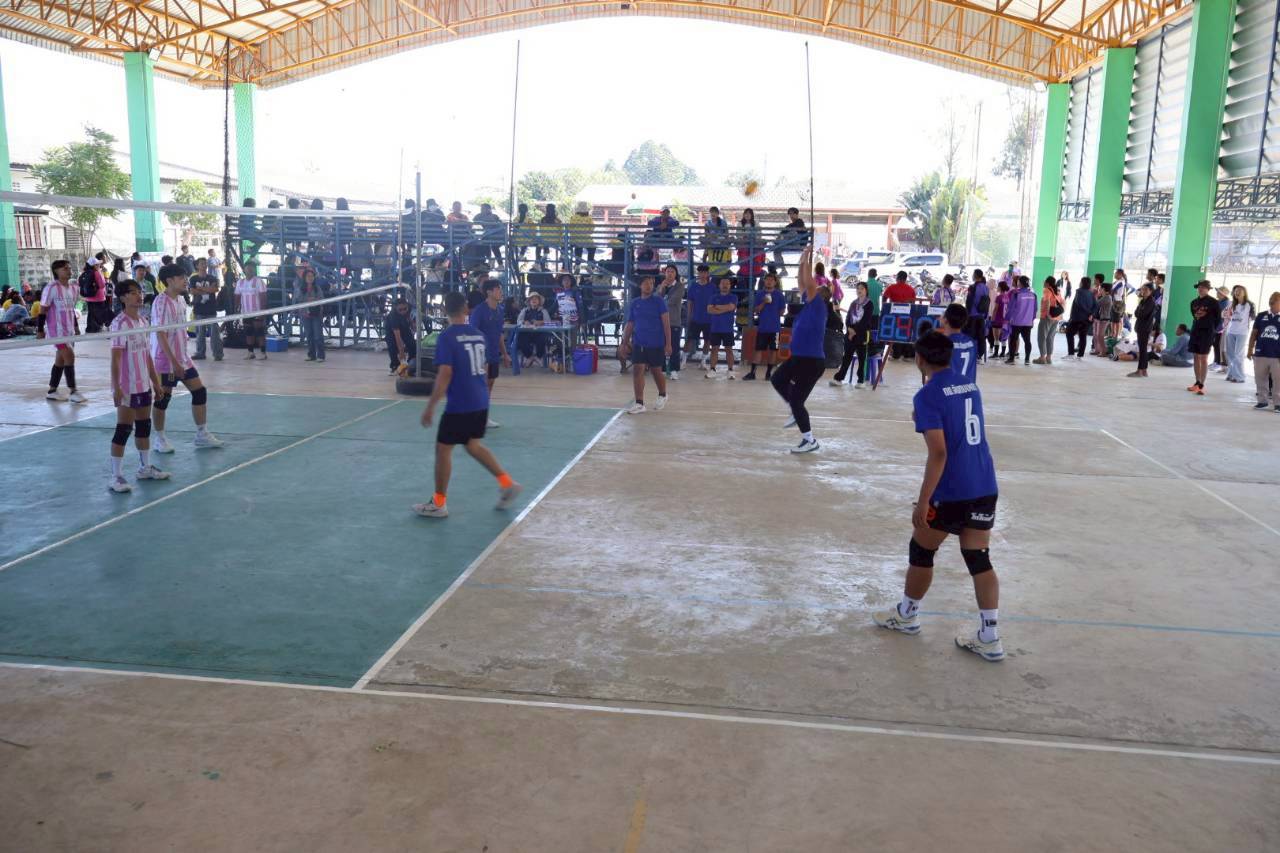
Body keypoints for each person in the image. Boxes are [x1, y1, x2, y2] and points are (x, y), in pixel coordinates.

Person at [872, 330, 1004, 662]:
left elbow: (939, 453)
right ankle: (990, 637)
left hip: (952, 490)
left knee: (921, 549)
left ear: (919, 359)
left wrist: (924, 501)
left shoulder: (927, 395)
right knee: (978, 558)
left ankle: (907, 615)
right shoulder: (969, 385)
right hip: (984, 483)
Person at [414, 291, 522, 519]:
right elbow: (483, 368)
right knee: (472, 446)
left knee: (443, 450)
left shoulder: (447, 337)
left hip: (460, 404)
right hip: (480, 400)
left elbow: (445, 373)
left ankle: (439, 503)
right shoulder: (478, 335)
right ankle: (507, 483)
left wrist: (430, 406)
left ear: (445, 310)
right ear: (466, 309)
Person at [149, 264, 224, 454]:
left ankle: (201, 434)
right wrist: (174, 363)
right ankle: (159, 438)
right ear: (169, 280)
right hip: (165, 360)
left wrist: (181, 359)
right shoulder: (160, 302)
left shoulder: (181, 300)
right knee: (163, 399)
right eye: (181, 277)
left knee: (199, 392)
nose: (185, 281)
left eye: (185, 277)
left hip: (182, 357)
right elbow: (160, 334)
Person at [106, 279, 170, 493]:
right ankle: (116, 476)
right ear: (123, 298)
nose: (139, 296)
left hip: (144, 385)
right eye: (133, 292)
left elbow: (147, 356)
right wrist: (116, 387)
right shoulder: (119, 324)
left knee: (144, 427)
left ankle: (145, 467)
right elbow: (115, 359)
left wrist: (156, 382)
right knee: (124, 429)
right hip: (127, 386)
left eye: (139, 292)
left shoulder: (143, 321)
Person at [770, 247, 825, 453]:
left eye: (815, 290)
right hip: (801, 358)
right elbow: (802, 282)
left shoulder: (819, 306)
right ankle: (794, 411)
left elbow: (809, 283)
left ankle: (809, 440)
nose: (808, 292)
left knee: (797, 401)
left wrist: (808, 259)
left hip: (811, 361)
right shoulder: (809, 306)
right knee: (778, 380)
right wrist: (802, 261)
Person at [620, 275, 672, 413]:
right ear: (640, 286)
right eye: (645, 283)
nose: (649, 286)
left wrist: (668, 344)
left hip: (656, 343)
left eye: (651, 283)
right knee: (637, 370)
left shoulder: (659, 301)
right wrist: (624, 343)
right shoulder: (635, 303)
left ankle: (663, 394)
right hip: (639, 343)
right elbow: (630, 324)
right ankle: (639, 403)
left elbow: (666, 323)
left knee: (656, 371)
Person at [39, 259, 86, 403]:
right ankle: (73, 391)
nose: (69, 270)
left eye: (69, 267)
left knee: (60, 360)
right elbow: (43, 309)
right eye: (65, 268)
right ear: (56, 271)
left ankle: (52, 391)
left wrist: (76, 327)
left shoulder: (74, 288)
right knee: (69, 357)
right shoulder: (51, 287)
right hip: (56, 331)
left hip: (69, 330)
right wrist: (40, 330)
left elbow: (71, 309)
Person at [468, 279, 512, 428]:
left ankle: (483, 417)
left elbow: (499, 334)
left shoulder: (500, 310)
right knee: (481, 386)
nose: (501, 292)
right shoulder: (479, 311)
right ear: (489, 292)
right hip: (481, 355)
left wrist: (505, 354)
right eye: (498, 289)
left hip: (493, 353)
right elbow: (472, 333)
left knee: (489, 385)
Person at [830, 281, 875, 387]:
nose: (859, 290)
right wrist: (849, 328)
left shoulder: (869, 304)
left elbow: (865, 320)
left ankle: (860, 381)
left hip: (862, 334)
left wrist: (855, 331)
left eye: (862, 288)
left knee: (862, 358)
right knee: (847, 357)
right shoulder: (853, 303)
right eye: (858, 288)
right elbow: (848, 317)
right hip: (850, 334)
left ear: (866, 290)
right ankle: (839, 378)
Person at [748, 273, 784, 381]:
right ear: (764, 281)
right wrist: (764, 302)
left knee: (773, 351)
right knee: (758, 350)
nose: (769, 282)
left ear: (775, 282)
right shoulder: (760, 294)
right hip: (763, 328)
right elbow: (756, 310)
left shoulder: (779, 295)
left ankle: (768, 374)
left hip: (775, 328)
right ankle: (752, 373)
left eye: (771, 280)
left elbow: (782, 311)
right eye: (767, 279)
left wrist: (776, 311)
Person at [1248, 291, 1280, 411]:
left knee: (1278, 380)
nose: (1272, 303)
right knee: (1260, 378)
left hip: (1277, 355)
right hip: (1261, 352)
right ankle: (1262, 401)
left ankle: (1278, 404)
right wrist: (1250, 349)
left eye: (1276, 301)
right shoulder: (1261, 316)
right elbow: (1254, 334)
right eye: (1272, 301)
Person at [1187, 280, 1221, 395]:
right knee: (1196, 356)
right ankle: (1197, 382)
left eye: (1203, 287)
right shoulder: (1193, 302)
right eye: (1199, 287)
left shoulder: (1214, 302)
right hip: (1195, 331)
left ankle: (1202, 385)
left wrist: (1211, 330)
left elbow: (1218, 319)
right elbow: (1195, 317)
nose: (1200, 289)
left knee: (1203, 357)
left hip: (1207, 332)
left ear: (1208, 289)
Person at [704, 277, 739, 379]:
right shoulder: (713, 297)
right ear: (719, 285)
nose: (725, 285)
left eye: (727, 283)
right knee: (714, 349)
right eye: (723, 283)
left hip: (728, 328)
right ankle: (712, 369)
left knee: (729, 349)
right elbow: (709, 310)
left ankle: (730, 370)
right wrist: (726, 308)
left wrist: (717, 307)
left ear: (730, 286)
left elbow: (732, 307)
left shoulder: (734, 297)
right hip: (715, 328)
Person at [190, 257, 223, 361]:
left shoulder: (212, 278)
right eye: (202, 263)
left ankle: (218, 354)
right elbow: (192, 291)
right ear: (197, 266)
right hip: (199, 309)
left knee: (214, 333)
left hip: (211, 309)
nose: (205, 265)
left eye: (205, 263)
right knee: (200, 333)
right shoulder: (193, 279)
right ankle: (200, 353)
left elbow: (215, 289)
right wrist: (207, 290)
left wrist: (200, 289)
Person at [235, 260, 269, 359]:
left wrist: (262, 312)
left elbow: (263, 297)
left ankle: (263, 353)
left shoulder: (259, 281)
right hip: (245, 313)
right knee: (248, 332)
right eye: (248, 268)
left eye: (252, 268)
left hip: (257, 312)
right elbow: (237, 296)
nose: (250, 270)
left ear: (254, 270)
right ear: (244, 270)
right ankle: (250, 352)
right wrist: (236, 309)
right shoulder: (240, 282)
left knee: (260, 332)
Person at [684, 264, 715, 368]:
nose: (703, 274)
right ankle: (683, 361)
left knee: (707, 341)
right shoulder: (693, 286)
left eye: (705, 272)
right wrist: (689, 316)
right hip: (695, 318)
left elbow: (715, 302)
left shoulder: (712, 287)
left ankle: (703, 362)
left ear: (708, 274)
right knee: (689, 340)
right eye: (701, 272)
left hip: (709, 319)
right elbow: (690, 302)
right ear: (698, 273)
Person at [1223, 285, 1255, 384]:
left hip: (1242, 333)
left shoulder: (1249, 304)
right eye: (1236, 291)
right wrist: (1226, 314)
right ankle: (1231, 374)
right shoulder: (1231, 304)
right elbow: (1223, 314)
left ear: (1244, 293)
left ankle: (1240, 377)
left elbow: (1253, 317)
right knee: (1230, 354)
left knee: (1238, 355)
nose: (1237, 292)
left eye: (1240, 291)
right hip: (1231, 331)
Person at [940, 303, 977, 383]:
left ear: (946, 320)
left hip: (949, 389)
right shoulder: (972, 343)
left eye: (943, 313)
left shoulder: (942, 344)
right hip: (968, 389)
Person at [295, 268, 327, 362]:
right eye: (308, 276)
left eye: (312, 276)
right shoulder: (300, 288)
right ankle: (311, 355)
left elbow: (321, 298)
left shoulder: (317, 288)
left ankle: (320, 355)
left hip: (316, 314)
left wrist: (314, 300)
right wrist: (308, 300)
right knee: (309, 335)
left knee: (318, 336)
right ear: (304, 278)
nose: (310, 278)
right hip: (305, 315)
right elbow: (298, 299)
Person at [1004, 276, 1036, 365]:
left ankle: (1011, 359)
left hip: (1016, 322)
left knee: (1013, 340)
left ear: (1020, 283)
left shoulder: (1016, 294)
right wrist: (1032, 319)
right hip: (1028, 322)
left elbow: (1010, 308)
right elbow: (1035, 309)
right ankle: (1027, 360)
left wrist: (1007, 318)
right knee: (1027, 340)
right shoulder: (1033, 295)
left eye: (1018, 282)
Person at [1127, 282, 1158, 378]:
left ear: (1151, 291)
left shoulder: (1150, 301)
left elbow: (1142, 314)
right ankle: (1144, 370)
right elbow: (1136, 312)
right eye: (1142, 289)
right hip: (1140, 326)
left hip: (1145, 328)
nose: (1143, 291)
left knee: (1143, 350)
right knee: (1143, 349)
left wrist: (1139, 313)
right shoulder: (1143, 301)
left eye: (1146, 290)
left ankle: (1140, 371)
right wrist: (1139, 313)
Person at [515, 292, 551, 366]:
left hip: (539, 333)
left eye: (536, 299)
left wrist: (541, 322)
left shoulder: (543, 311)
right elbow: (518, 321)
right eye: (532, 299)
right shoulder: (524, 310)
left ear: (539, 301)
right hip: (527, 333)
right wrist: (524, 322)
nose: (534, 300)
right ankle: (530, 357)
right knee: (520, 337)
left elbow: (549, 322)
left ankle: (538, 357)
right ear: (529, 301)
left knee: (543, 338)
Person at [1033, 278, 1063, 365]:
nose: (1043, 282)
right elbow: (1062, 302)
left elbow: (1047, 301)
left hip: (1047, 317)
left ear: (1047, 283)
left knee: (1042, 337)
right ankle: (1048, 357)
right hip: (1056, 318)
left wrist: (1047, 314)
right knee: (1050, 337)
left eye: (1045, 281)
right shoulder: (1057, 291)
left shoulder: (1047, 290)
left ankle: (1042, 358)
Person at [964, 269, 990, 363]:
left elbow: (969, 301)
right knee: (981, 336)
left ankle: (971, 354)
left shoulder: (973, 287)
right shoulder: (985, 287)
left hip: (973, 315)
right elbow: (987, 301)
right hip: (982, 315)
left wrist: (967, 314)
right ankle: (979, 355)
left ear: (975, 275)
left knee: (971, 335)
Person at [1065, 275, 1095, 360]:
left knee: (1069, 333)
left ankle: (1071, 354)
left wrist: (1088, 312)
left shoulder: (1079, 291)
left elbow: (1079, 304)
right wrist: (1091, 314)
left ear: (1082, 283)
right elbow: (1095, 305)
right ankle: (1080, 355)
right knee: (1083, 336)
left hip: (1078, 318)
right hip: (1087, 319)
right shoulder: (1091, 293)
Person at [385, 298, 416, 375]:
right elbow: (398, 338)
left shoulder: (409, 307)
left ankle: (411, 363)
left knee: (412, 344)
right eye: (400, 310)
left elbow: (409, 316)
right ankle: (395, 366)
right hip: (392, 331)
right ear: (396, 308)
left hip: (403, 325)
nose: (403, 311)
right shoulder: (393, 317)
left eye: (405, 309)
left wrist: (412, 324)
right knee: (392, 346)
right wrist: (402, 353)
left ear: (407, 306)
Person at [773, 207, 807, 273]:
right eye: (790, 214)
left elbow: (789, 229)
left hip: (799, 244)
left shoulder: (800, 222)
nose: (791, 215)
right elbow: (783, 231)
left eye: (793, 213)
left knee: (792, 232)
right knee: (776, 250)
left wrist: (783, 234)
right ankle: (783, 270)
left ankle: (779, 242)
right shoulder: (791, 225)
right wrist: (780, 236)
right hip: (791, 243)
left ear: (797, 214)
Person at [82, 256, 112, 333]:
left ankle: (90, 328)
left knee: (91, 313)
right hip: (98, 297)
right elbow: (102, 285)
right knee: (100, 313)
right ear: (94, 265)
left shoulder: (85, 272)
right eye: (98, 264)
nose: (99, 265)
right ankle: (97, 328)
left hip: (89, 297)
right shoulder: (96, 272)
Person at [568, 201, 595, 268]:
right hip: (586, 239)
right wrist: (586, 232)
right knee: (592, 248)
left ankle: (577, 264)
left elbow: (570, 229)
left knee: (578, 247)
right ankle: (590, 264)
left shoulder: (573, 217)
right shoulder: (589, 218)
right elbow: (592, 230)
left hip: (574, 239)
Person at [989, 281, 1010, 360]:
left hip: (997, 319)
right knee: (1003, 337)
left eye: (998, 286)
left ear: (1000, 288)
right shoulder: (1007, 297)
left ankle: (995, 353)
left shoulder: (999, 297)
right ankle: (1003, 353)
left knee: (996, 338)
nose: (997, 287)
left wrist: (992, 318)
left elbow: (995, 309)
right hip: (1004, 320)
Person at [1092, 276, 1112, 357]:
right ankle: (1097, 350)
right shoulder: (1104, 297)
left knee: (1100, 335)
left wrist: (1095, 296)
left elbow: (1096, 303)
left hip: (1103, 319)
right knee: (1096, 335)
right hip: (1099, 318)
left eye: (1101, 288)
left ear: (1104, 289)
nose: (1099, 289)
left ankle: (1103, 351)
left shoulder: (1107, 297)